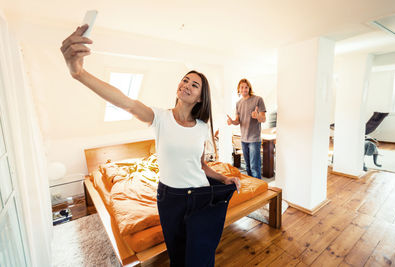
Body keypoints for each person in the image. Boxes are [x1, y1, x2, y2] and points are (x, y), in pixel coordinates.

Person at [60, 24, 241, 267]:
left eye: (194, 84)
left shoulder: (201, 127)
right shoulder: (159, 117)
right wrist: (79, 73)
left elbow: (199, 164)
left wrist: (222, 178)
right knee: (178, 257)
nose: (186, 84)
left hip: (200, 196)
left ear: (200, 97)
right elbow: (126, 102)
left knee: (202, 258)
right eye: (184, 80)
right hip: (171, 199)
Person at [227, 79, 266, 179]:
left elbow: (263, 119)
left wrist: (257, 116)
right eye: (242, 87)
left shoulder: (258, 99)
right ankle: (252, 188)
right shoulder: (238, 103)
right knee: (248, 167)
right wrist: (232, 122)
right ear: (238, 90)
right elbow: (238, 121)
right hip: (243, 139)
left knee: (254, 168)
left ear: (249, 88)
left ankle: (259, 191)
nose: (244, 89)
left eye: (246, 87)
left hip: (254, 140)